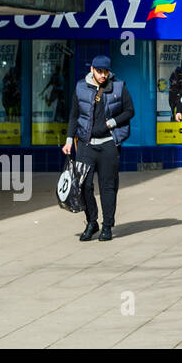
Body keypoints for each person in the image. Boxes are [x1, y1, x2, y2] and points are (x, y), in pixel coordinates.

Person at [63, 54, 135, 242]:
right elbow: (74, 115)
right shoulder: (80, 87)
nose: (103, 75)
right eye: (99, 71)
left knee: (108, 187)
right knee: (84, 186)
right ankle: (91, 221)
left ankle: (107, 226)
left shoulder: (119, 86)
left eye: (106, 71)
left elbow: (129, 111)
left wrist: (111, 123)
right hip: (86, 145)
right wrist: (69, 139)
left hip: (108, 144)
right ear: (92, 70)